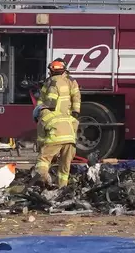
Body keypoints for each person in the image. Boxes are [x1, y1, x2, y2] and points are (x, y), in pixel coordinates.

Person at [33, 60, 80, 188]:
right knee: (64, 168)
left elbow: (42, 139)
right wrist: (76, 111)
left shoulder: (44, 115)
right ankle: (62, 188)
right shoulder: (71, 80)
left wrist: (42, 149)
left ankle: (41, 180)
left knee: (43, 160)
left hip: (55, 135)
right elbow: (76, 97)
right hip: (70, 134)